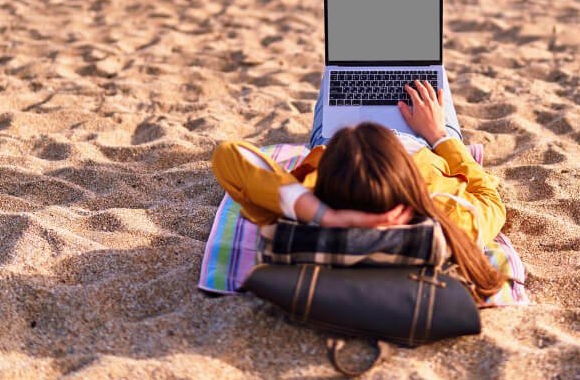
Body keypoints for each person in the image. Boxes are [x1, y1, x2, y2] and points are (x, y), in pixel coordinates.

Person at [211, 78, 507, 302]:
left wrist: (327, 216)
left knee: (336, 75)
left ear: (328, 176)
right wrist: (438, 134)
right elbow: (490, 197)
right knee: (431, 80)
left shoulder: (309, 202)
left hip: (349, 149)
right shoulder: (451, 219)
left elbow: (229, 155)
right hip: (424, 136)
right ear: (405, 174)